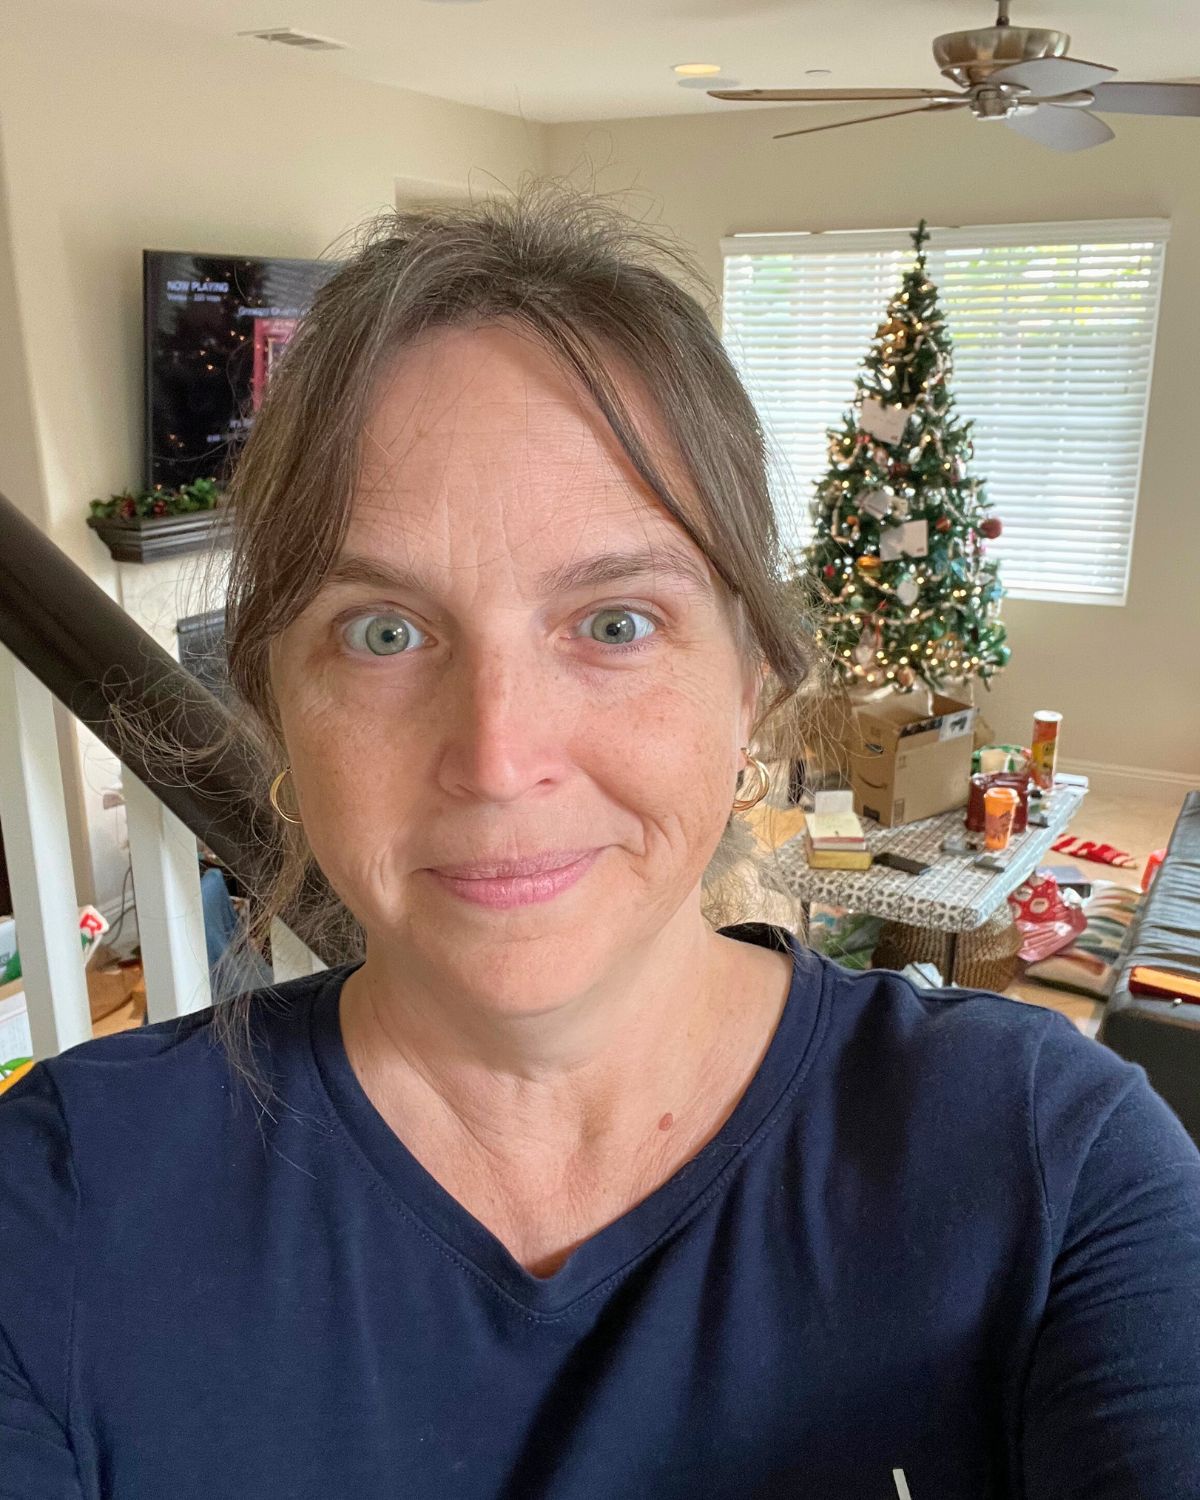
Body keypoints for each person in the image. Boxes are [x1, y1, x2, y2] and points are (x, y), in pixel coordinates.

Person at [2, 181, 1198, 1500]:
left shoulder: (1051, 1166)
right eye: (385, 631)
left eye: (615, 622)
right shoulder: (66, 1202)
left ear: (752, 680)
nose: (502, 758)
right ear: (278, 702)